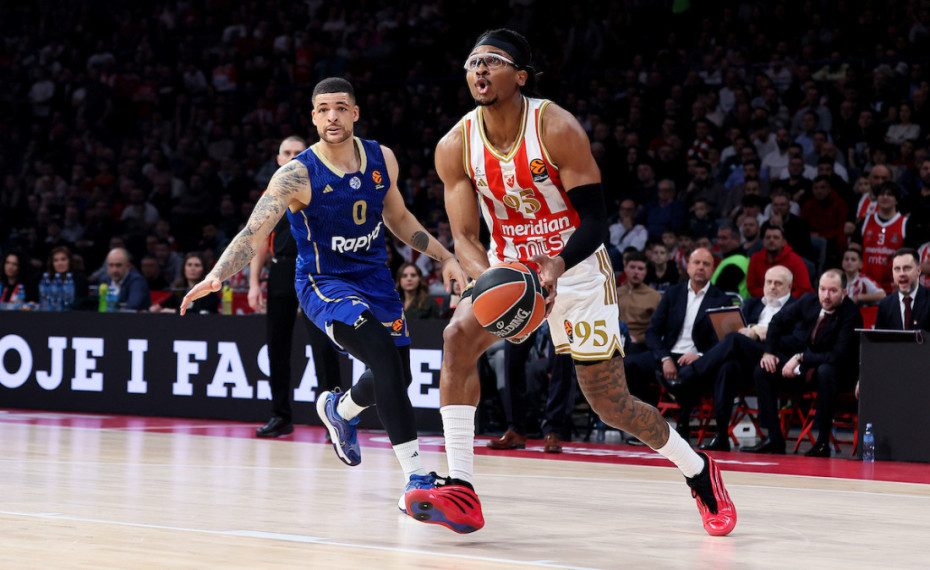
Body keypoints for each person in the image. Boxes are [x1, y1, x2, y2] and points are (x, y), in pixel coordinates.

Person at [422, 30, 736, 538]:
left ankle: (699, 470)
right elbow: (464, 236)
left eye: (493, 61)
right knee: (456, 337)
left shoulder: (556, 127)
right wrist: (489, 279)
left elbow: (596, 222)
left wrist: (556, 266)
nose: (479, 69)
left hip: (577, 267)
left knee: (611, 405)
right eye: (473, 61)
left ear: (520, 76)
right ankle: (461, 486)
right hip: (509, 268)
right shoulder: (454, 145)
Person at [180, 77, 467, 520]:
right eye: (323, 109)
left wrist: (445, 256)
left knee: (399, 374)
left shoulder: (382, 158)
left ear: (355, 113)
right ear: (314, 117)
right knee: (383, 358)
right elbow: (253, 232)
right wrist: (217, 275)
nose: (332, 116)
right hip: (324, 282)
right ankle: (416, 477)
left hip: (375, 279)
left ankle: (341, 410)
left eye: (341, 107)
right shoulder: (296, 174)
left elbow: (397, 216)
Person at [247, 136, 345, 439]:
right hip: (281, 269)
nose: (291, 157)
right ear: (278, 159)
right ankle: (280, 416)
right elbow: (258, 240)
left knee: (324, 346)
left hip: (317, 270)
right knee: (277, 345)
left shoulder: (324, 188)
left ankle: (334, 419)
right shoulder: (270, 193)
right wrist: (253, 283)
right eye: (286, 153)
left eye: (297, 153)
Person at [672, 265, 797, 451]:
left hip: (777, 359)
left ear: (789, 286)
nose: (772, 286)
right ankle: (721, 435)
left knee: (734, 339)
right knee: (727, 367)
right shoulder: (753, 304)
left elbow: (795, 341)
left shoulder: (796, 307)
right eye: (769, 282)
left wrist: (761, 334)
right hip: (748, 360)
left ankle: (689, 375)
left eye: (778, 283)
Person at [742, 269, 862, 457]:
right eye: (822, 289)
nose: (826, 296)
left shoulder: (851, 313)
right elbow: (777, 322)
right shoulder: (809, 301)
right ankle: (774, 437)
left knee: (826, 371)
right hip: (804, 366)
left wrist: (800, 357)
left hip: (836, 372)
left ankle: (822, 442)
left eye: (833, 291)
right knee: (764, 369)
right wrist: (768, 353)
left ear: (844, 292)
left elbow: (838, 355)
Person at [625, 248, 732, 434]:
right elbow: (652, 332)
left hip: (697, 359)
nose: (701, 267)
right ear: (688, 266)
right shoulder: (673, 293)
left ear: (713, 270)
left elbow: (722, 341)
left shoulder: (722, 299)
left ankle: (683, 425)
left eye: (706, 264)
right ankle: (648, 419)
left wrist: (700, 356)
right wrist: (665, 358)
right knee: (628, 365)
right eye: (696, 263)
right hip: (668, 354)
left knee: (689, 373)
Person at [486, 323, 575, 453]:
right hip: (528, 309)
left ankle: (553, 430)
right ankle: (515, 430)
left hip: (559, 310)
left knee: (561, 360)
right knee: (512, 355)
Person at [852, 181, 911, 293]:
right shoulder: (865, 222)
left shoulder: (906, 224)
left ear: (897, 200)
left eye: (889, 194)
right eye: (881, 194)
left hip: (894, 288)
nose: (885, 197)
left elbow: (911, 260)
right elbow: (853, 252)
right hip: (865, 287)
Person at [747, 226, 814, 298]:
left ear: (784, 242)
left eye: (776, 237)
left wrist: (782, 299)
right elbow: (752, 287)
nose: (771, 240)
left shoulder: (794, 259)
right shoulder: (755, 258)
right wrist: (771, 297)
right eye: (768, 237)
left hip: (793, 301)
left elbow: (803, 288)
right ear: (763, 241)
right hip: (765, 299)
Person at [616, 250, 662, 354]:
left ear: (646, 271)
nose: (636, 272)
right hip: (613, 340)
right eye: (632, 267)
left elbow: (658, 328)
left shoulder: (654, 296)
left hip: (638, 344)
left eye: (640, 269)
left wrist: (638, 339)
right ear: (625, 268)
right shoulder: (614, 293)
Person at [875, 248, 930, 330]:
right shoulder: (885, 305)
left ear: (918, 270)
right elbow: (878, 337)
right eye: (897, 269)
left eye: (907, 268)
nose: (902, 274)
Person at [152, 252, 219, 314]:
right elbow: (161, 306)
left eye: (197, 265)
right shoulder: (179, 290)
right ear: (184, 268)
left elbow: (202, 313)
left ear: (204, 269)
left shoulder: (209, 291)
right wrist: (155, 308)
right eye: (189, 265)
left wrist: (175, 311)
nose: (192, 268)